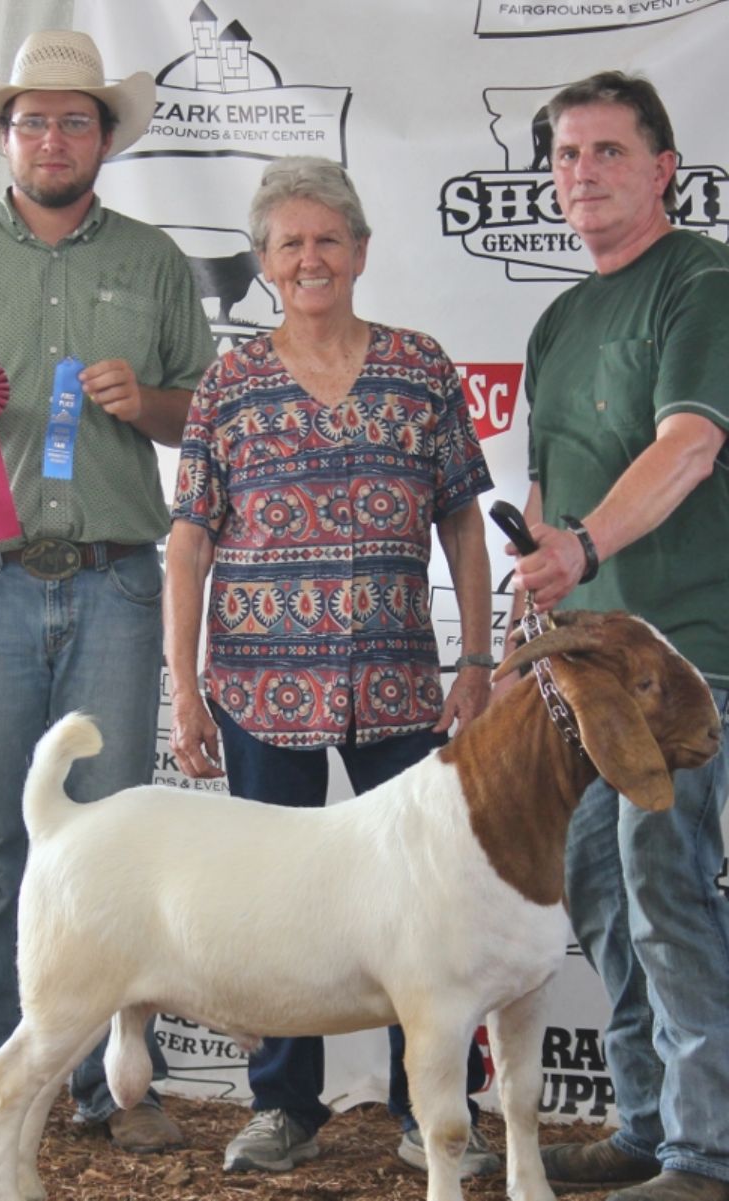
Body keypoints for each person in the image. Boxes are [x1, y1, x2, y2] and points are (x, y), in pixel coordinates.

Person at [163, 155, 500, 1181]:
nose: (309, 258)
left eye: (326, 239)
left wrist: (477, 656)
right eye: (287, 244)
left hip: (399, 682)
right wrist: (184, 687)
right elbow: (188, 541)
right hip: (258, 688)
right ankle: (283, 1107)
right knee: (276, 900)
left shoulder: (419, 365)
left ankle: (430, 1108)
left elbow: (462, 523)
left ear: (358, 250)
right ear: (263, 265)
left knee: (427, 904)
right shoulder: (227, 382)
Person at [0, 30, 215, 1154]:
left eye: (74, 119)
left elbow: (201, 413)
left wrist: (144, 400)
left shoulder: (150, 261)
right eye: (32, 119)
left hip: (112, 582)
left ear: (103, 136)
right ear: (4, 136)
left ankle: (107, 1088)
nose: (52, 138)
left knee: (102, 840)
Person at [503, 72, 729, 1201]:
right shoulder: (556, 321)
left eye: (602, 151)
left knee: (664, 882)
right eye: (561, 155)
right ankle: (644, 1123)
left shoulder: (701, 282)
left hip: (681, 657)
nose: (577, 173)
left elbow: (687, 446)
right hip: (585, 667)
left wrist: (580, 550)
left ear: (660, 169)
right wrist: (539, 579)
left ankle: (705, 1151)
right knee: (598, 888)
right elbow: (545, 495)